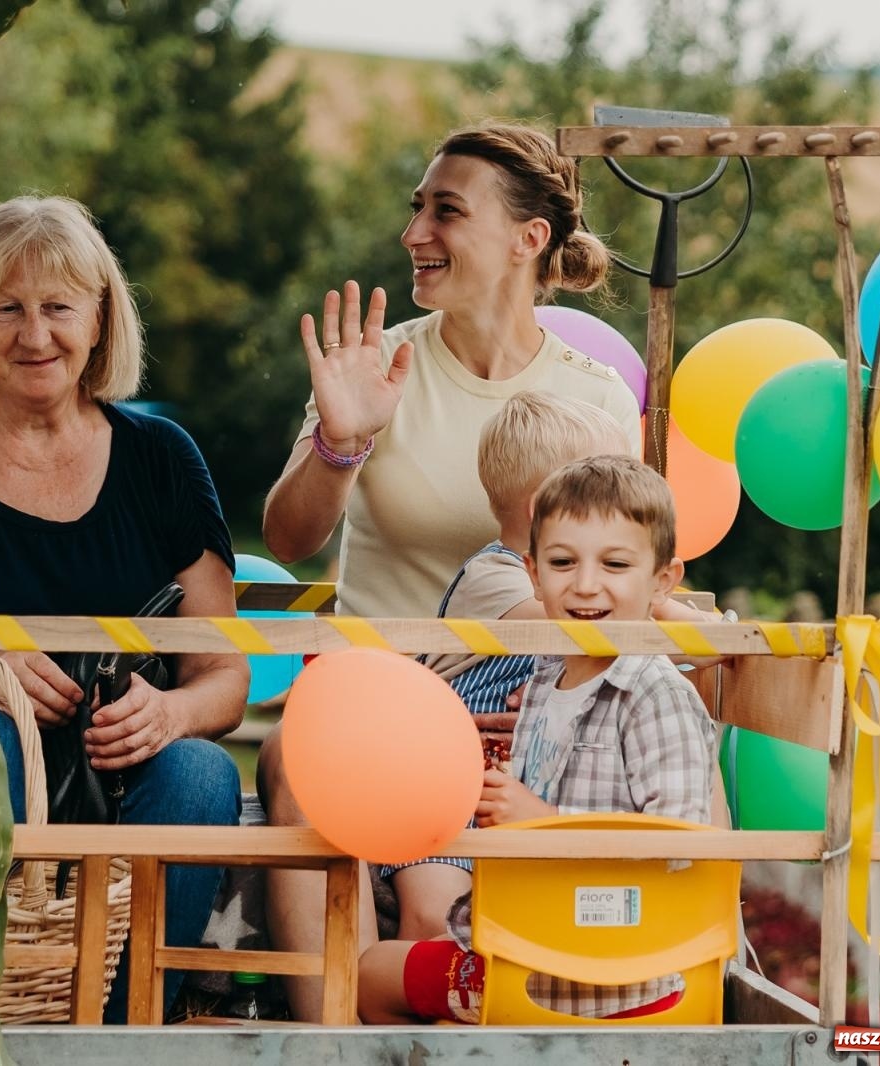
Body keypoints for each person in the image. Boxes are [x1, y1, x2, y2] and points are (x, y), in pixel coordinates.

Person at [258, 123, 641, 1021]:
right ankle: (336, 1037)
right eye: (416, 208)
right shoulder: (380, 363)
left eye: (446, 211)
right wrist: (340, 441)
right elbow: (287, 537)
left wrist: (549, 708)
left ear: (527, 238)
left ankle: (532, 1009)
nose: (414, 233)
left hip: (525, 708)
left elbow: (627, 582)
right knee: (292, 758)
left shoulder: (597, 397)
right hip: (368, 698)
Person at [0, 195, 249, 1022]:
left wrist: (167, 713)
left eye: (59, 307)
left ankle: (134, 1022)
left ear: (99, 320)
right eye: (8, 310)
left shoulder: (162, 459)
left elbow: (227, 677)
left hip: (130, 774)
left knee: (203, 773)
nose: (35, 336)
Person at [357, 455, 719, 1024]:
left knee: (375, 979)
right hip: (527, 948)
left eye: (616, 563)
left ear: (663, 581)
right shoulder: (545, 682)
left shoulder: (655, 695)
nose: (585, 584)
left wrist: (542, 822)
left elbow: (680, 858)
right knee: (373, 972)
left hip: (610, 974)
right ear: (532, 572)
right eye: (562, 561)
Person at [371, 392, 633, 942]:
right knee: (435, 917)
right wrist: (660, 605)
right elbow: (586, 633)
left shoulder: (597, 596)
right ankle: (411, 993)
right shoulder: (494, 577)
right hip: (446, 777)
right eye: (608, 488)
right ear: (546, 508)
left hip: (528, 783)